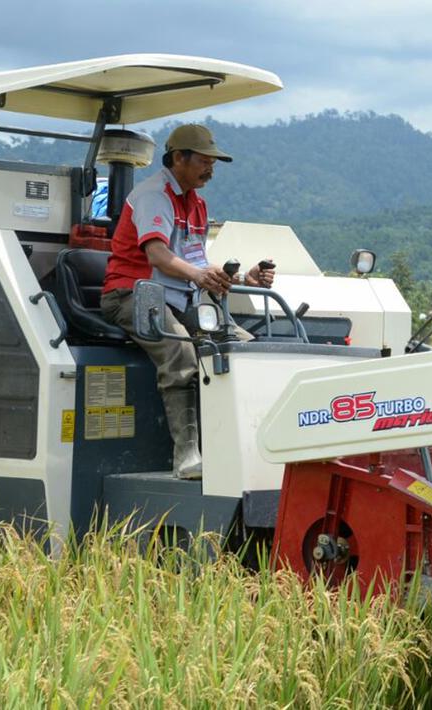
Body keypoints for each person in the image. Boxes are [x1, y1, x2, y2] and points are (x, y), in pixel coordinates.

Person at [101, 124, 275, 479]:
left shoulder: (197, 204)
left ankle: (242, 450)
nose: (210, 169)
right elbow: (159, 256)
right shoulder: (154, 196)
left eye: (213, 163)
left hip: (177, 298)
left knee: (242, 348)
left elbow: (196, 263)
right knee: (180, 353)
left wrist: (244, 278)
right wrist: (198, 277)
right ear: (178, 158)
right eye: (204, 161)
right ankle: (187, 457)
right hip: (133, 293)